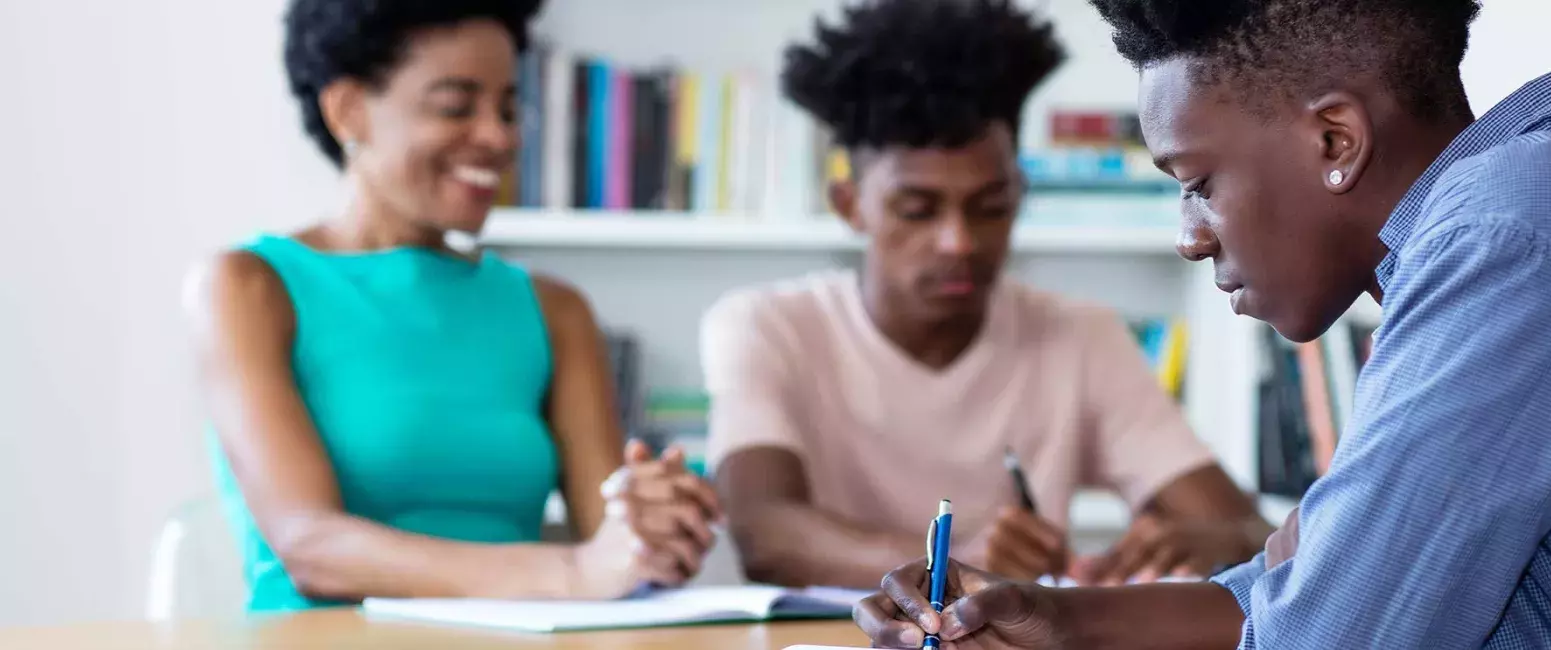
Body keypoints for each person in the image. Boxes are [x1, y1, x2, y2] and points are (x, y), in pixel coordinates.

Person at [856, 0, 1551, 647]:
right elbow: (1305, 587)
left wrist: (1310, 584)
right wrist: (1056, 621)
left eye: (1198, 181)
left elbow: (1330, 631)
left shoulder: (1507, 241)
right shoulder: (1542, 201)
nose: (1189, 236)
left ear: (1335, 140)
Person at [701, 0, 1271, 593]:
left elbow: (1241, 523)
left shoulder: (1079, 336)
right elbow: (763, 531)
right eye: (918, 210)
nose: (958, 242)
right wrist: (958, 561)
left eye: (990, 207)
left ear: (1020, 194)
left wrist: (1209, 539)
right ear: (850, 205)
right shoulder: (767, 325)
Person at [183, 0, 719, 613]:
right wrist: (573, 572)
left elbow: (610, 542)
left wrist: (656, 524)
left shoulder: (553, 310)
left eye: (510, 109)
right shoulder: (248, 287)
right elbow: (311, 547)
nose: (498, 137)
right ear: (347, 110)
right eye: (455, 106)